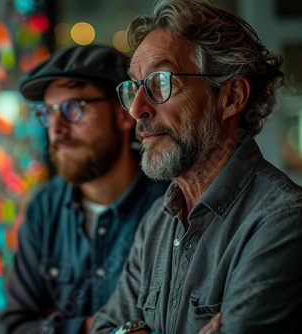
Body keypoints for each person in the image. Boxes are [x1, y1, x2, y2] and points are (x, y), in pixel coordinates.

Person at [88, 0, 302, 333]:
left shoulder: (283, 222)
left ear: (230, 97)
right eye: (134, 88)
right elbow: (104, 327)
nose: (136, 110)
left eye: (160, 82)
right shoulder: (156, 223)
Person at [0, 45, 170, 334]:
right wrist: (100, 329)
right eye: (48, 112)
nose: (56, 129)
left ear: (124, 114)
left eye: (73, 108)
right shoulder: (44, 207)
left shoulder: (171, 204)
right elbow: (16, 326)